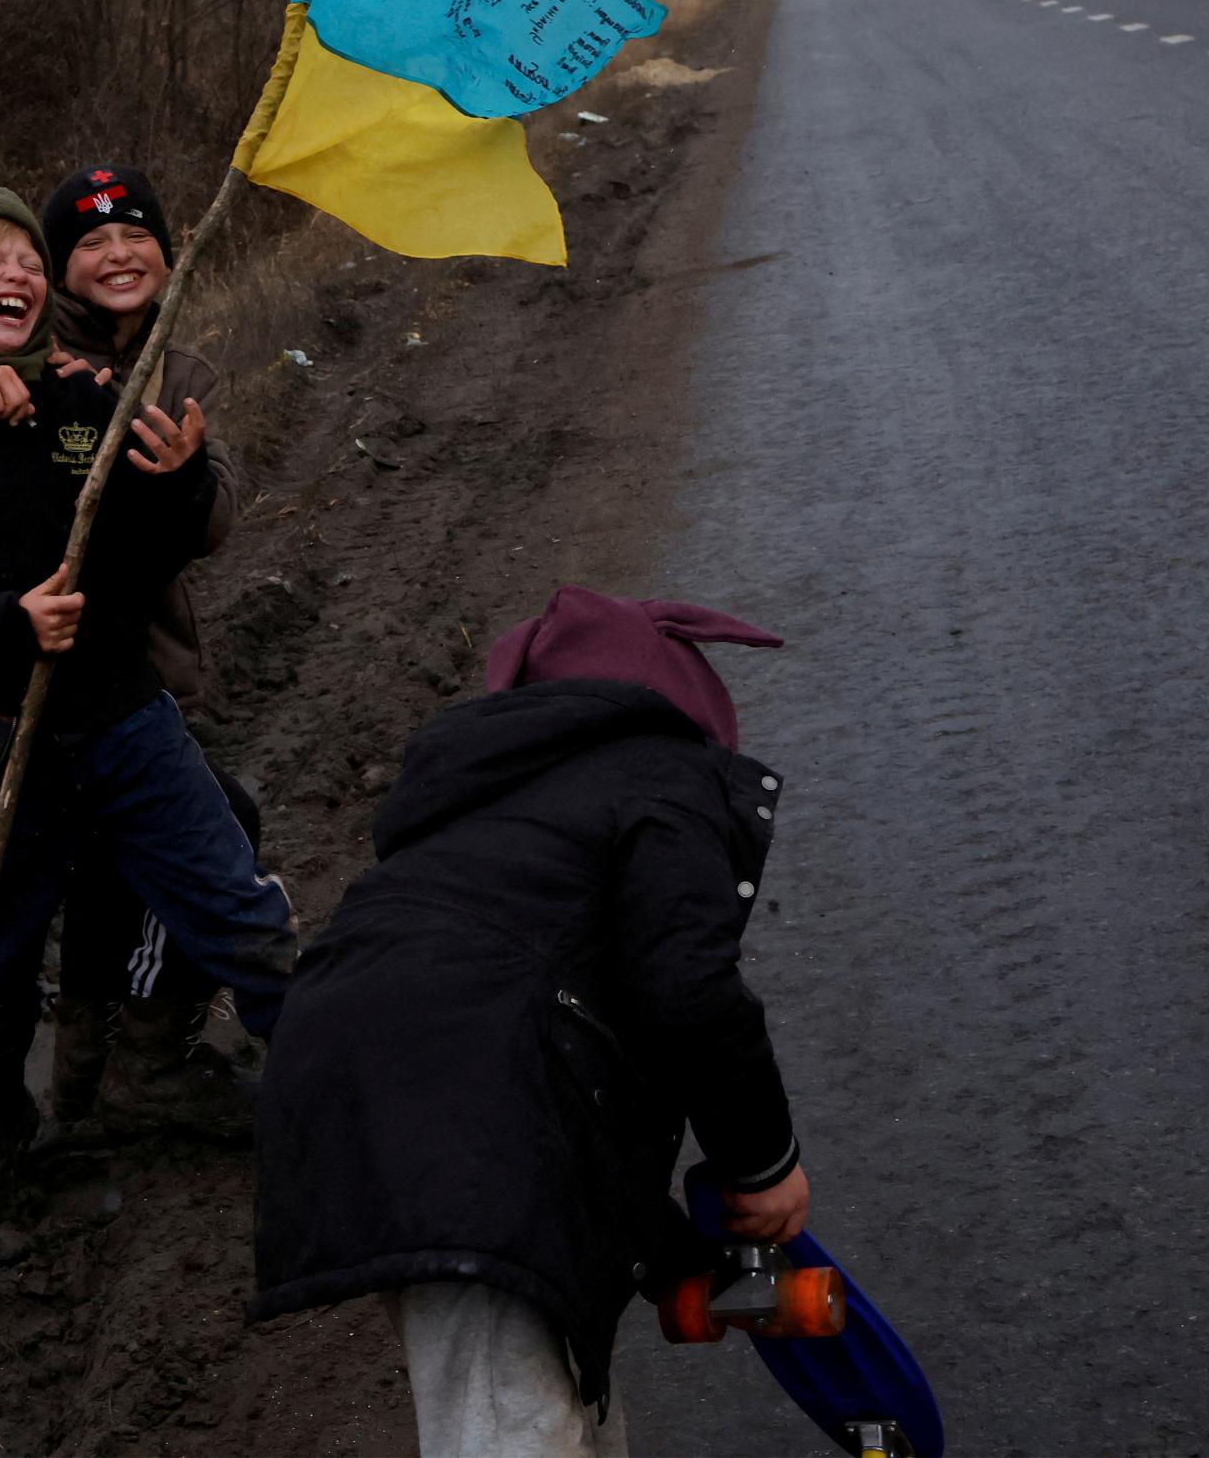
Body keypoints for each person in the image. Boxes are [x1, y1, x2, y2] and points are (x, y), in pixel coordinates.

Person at [249, 586, 810, 1458]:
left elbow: (575, 1063)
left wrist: (664, 1257)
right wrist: (761, 1161)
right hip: (457, 1123)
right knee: (507, 1421)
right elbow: (687, 984)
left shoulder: (491, 818)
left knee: (549, 1392)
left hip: (365, 1090)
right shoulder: (663, 771)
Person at [0, 185, 294, 1224]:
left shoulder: (87, 405)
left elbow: (148, 553)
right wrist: (7, 620)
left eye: (22, 259)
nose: (13, 272)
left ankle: (313, 1076)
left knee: (235, 897)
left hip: (124, 714)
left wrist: (175, 484)